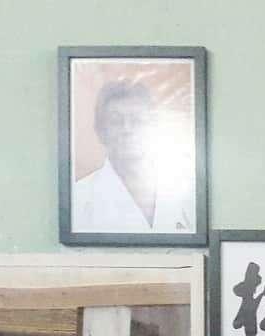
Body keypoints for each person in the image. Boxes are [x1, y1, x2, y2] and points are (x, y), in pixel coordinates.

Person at [72, 79, 194, 233]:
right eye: (116, 121)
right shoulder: (80, 198)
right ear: (100, 131)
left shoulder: (185, 192)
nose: (127, 129)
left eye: (137, 120)